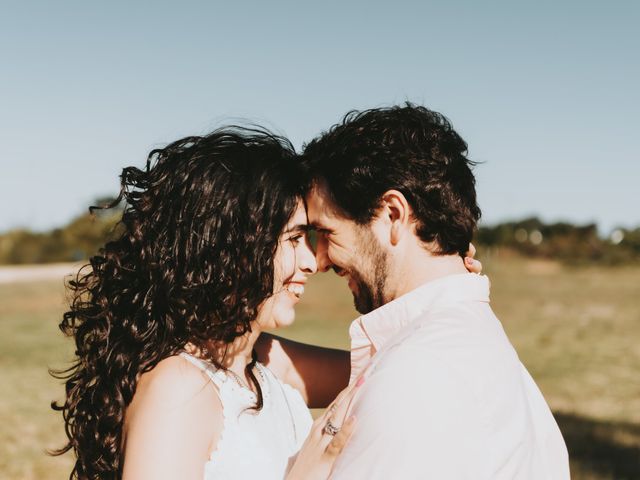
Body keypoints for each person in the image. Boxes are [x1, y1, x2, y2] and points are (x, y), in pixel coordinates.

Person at [51, 126, 358, 480]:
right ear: (233, 248)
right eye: (294, 238)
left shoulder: (267, 362)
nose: (312, 261)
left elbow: (386, 370)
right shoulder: (178, 389)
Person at [299, 104, 571, 479]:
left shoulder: (416, 379)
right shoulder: (470, 346)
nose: (320, 260)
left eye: (326, 233)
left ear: (393, 215)